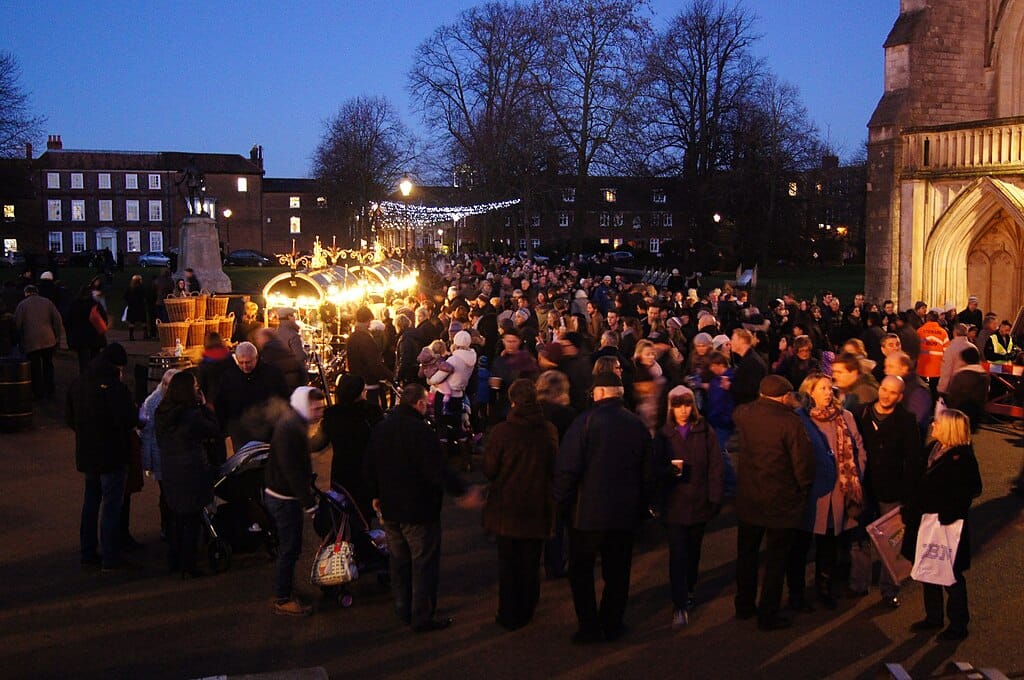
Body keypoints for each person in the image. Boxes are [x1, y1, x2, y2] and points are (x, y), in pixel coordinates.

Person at [364, 383, 483, 632]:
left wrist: (375, 493)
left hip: (390, 506)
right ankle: (422, 615)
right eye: (425, 404)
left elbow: (370, 462)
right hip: (418, 508)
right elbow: (437, 469)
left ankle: (402, 606)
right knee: (423, 563)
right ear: (418, 404)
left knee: (399, 560)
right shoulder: (421, 432)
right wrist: (461, 492)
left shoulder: (382, 428)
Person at [554, 372, 655, 644]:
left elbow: (568, 469)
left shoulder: (584, 423)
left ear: (598, 393)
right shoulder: (636, 425)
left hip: (586, 514)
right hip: (624, 513)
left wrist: (560, 503)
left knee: (581, 572)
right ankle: (612, 622)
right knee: (618, 571)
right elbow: (648, 473)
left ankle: (588, 625)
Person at [732, 375, 814, 631]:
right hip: (780, 501)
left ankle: (744, 605)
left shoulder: (745, 414)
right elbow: (802, 464)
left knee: (747, 556)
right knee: (776, 561)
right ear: (783, 396)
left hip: (749, 498)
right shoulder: (790, 423)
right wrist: (803, 490)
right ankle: (768, 613)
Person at [483, 379, 560, 631]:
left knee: (508, 563)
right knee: (530, 561)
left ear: (512, 401)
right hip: (537, 503)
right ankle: (528, 607)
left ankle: (509, 612)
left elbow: (490, 469)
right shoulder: (547, 430)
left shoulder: (502, 432)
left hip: (508, 505)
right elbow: (554, 466)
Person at [900, 409, 982, 641]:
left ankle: (958, 624)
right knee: (929, 568)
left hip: (946, 526)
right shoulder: (933, 449)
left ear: (949, 428)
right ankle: (933, 617)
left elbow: (972, 490)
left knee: (951, 574)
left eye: (938, 422)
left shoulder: (963, 458)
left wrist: (948, 513)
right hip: (924, 522)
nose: (933, 425)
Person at [654, 385, 723, 629]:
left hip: (699, 502)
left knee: (693, 552)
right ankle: (679, 602)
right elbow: (654, 469)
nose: (683, 410)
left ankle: (689, 588)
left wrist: (715, 497)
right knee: (678, 554)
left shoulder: (705, 431)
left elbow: (716, 466)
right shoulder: (663, 435)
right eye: (677, 405)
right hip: (675, 506)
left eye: (686, 405)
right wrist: (668, 472)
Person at [796, 373, 867, 607]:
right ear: (810, 392)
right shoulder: (801, 419)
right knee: (802, 544)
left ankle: (824, 589)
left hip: (839, 490)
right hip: (812, 492)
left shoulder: (845, 417)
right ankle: (797, 594)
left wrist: (856, 475)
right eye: (822, 388)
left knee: (829, 544)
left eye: (829, 388)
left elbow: (858, 447)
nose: (828, 392)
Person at [66, 343, 138, 571]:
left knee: (90, 504)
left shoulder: (79, 383)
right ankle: (111, 556)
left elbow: (69, 417)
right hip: (113, 455)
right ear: (118, 367)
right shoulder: (115, 389)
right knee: (111, 507)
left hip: (88, 454)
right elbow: (129, 419)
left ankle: (88, 552)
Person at [855, 375, 922, 608]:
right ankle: (858, 583)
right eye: (883, 389)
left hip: (892, 489)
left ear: (900, 396)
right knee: (860, 538)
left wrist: (908, 493)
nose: (885, 394)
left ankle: (889, 589)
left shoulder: (906, 420)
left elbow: (914, 460)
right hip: (863, 487)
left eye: (892, 392)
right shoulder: (860, 413)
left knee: (892, 542)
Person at [264, 386, 327, 616]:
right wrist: (309, 503)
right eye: (316, 408)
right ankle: (283, 598)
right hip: (283, 498)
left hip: (281, 494)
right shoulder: (290, 429)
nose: (319, 412)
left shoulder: (293, 423)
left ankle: (287, 589)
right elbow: (293, 471)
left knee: (291, 547)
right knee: (290, 548)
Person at [155, 371, 220, 578]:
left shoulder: (162, 412)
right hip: (191, 471)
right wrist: (205, 407)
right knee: (191, 519)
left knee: (176, 518)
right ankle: (188, 565)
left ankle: (174, 560)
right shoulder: (191, 416)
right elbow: (213, 430)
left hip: (171, 470)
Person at [321, 374, 384, 518]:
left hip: (342, 471)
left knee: (346, 513)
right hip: (366, 470)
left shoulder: (331, 415)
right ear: (359, 393)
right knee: (366, 513)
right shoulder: (371, 412)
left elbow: (320, 442)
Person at [214, 341, 290, 450]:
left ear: (256, 358)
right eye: (241, 362)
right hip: (240, 432)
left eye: (248, 362)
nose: (245, 366)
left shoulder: (272, 374)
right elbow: (221, 403)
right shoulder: (229, 376)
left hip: (268, 431)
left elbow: (283, 398)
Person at [139, 368, 180, 541]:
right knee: (167, 493)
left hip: (170, 455)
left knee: (171, 492)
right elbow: (147, 434)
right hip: (162, 456)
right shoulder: (153, 403)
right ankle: (168, 526)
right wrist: (147, 462)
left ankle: (172, 526)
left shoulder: (154, 401)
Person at [13, 284, 63, 399]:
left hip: (31, 341)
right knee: (48, 365)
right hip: (48, 339)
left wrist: (19, 339)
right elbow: (57, 320)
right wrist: (57, 337)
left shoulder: (22, 305)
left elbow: (17, 324)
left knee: (35, 368)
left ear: (26, 293)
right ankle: (49, 388)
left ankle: (38, 392)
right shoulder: (48, 302)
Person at [943, 346, 990, 433]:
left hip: (960, 413)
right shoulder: (984, 375)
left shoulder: (962, 374)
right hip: (976, 413)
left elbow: (953, 394)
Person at [123, 274, 148, 341]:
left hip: (132, 307)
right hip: (140, 306)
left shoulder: (130, 288)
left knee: (132, 321)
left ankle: (131, 336)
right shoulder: (141, 288)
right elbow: (145, 296)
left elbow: (125, 296)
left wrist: (129, 302)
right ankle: (145, 335)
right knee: (143, 321)